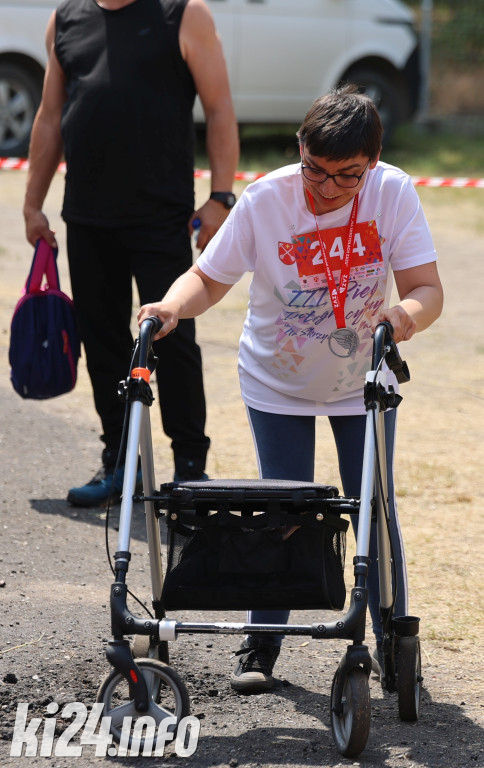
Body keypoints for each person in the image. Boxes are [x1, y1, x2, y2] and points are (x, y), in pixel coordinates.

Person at [138, 85, 444, 693]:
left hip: (362, 381)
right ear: (299, 148)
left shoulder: (393, 193)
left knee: (373, 510)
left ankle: (388, 637)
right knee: (282, 511)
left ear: (373, 163)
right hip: (276, 379)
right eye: (315, 170)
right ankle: (262, 648)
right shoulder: (268, 199)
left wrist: (405, 314)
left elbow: (427, 289)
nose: (326, 188)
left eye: (346, 177)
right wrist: (171, 308)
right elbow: (208, 276)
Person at [23, 0, 239, 506]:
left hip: (161, 216)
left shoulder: (184, 15)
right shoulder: (66, 20)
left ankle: (190, 468)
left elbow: (221, 108)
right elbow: (50, 116)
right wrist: (33, 204)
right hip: (87, 215)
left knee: (175, 335)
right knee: (101, 340)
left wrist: (221, 197)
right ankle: (119, 462)